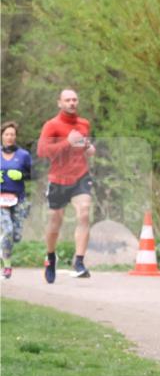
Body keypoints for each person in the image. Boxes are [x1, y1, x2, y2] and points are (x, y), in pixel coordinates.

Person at [37, 88, 96, 283]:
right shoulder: (52, 125)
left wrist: (88, 147)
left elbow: (85, 147)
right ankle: (51, 256)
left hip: (80, 175)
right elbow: (42, 151)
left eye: (74, 100)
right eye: (68, 100)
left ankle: (79, 262)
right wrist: (67, 143)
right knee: (55, 222)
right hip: (58, 180)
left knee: (85, 212)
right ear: (59, 103)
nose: (72, 103)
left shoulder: (84, 123)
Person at [1, 122, 33, 279]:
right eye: (7, 134)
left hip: (18, 199)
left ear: (16, 136)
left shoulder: (23, 155)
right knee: (7, 230)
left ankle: (3, 245)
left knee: (16, 236)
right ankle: (7, 266)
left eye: (12, 134)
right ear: (2, 136)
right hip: (0, 200)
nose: (9, 137)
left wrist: (21, 175)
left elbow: (33, 174)